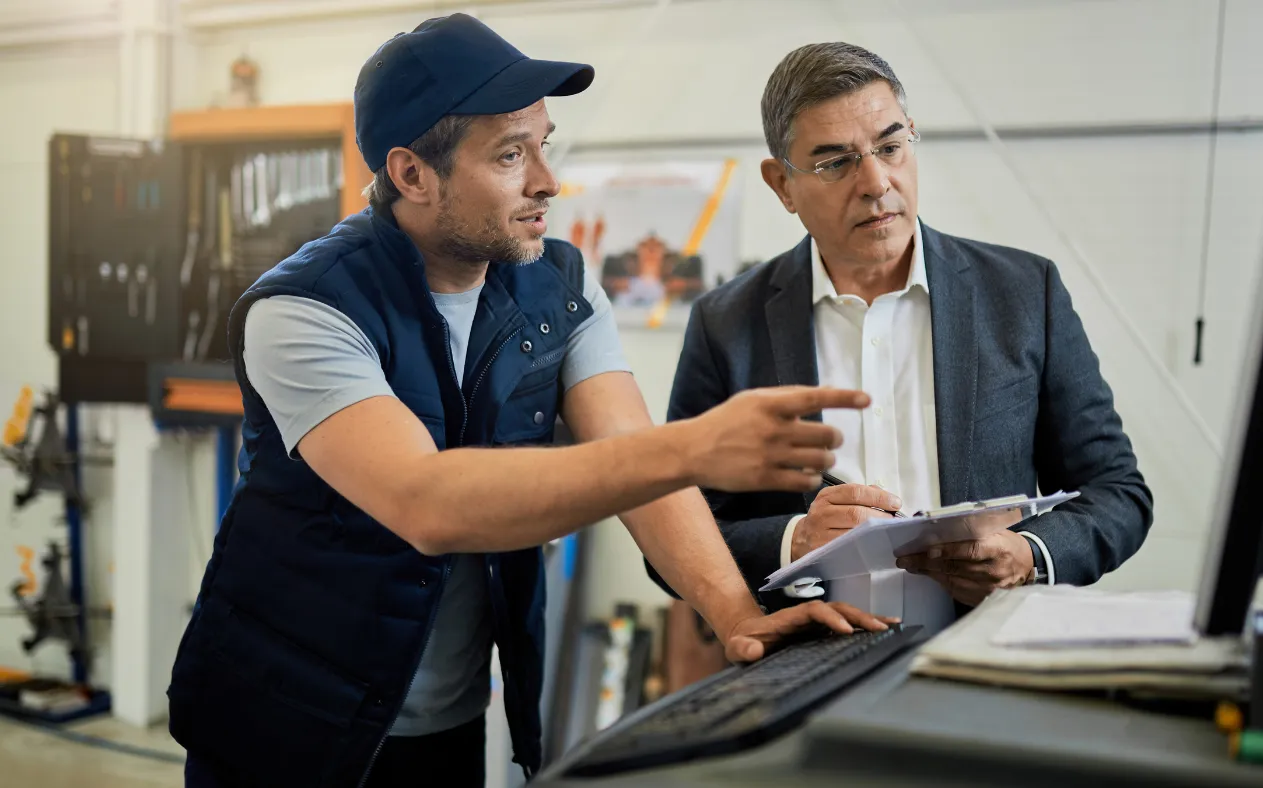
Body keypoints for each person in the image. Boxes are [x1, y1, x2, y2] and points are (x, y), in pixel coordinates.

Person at [168, 18, 892, 788]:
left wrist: (735, 613)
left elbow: (635, 459)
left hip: (445, 722)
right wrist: (696, 446)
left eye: (545, 144)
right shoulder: (304, 310)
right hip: (282, 727)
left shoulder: (559, 285)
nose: (547, 180)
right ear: (412, 174)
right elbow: (427, 503)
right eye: (512, 155)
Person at [652, 42, 1153, 627]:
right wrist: (796, 538)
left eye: (890, 147)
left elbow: (1118, 492)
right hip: (804, 665)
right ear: (782, 185)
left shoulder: (1023, 292)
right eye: (835, 162)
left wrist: (1029, 554)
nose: (875, 181)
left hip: (985, 653)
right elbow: (670, 537)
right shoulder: (725, 325)